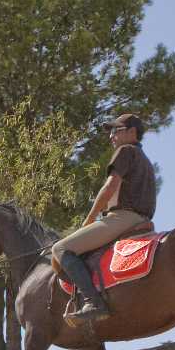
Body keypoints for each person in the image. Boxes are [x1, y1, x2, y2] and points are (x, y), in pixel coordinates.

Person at [50, 113, 157, 325]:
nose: (112, 135)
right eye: (111, 130)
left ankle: (93, 302)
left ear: (132, 131)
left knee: (60, 249)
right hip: (142, 221)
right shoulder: (145, 160)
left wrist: (90, 218)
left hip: (122, 218)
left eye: (116, 129)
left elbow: (109, 187)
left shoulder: (125, 151)